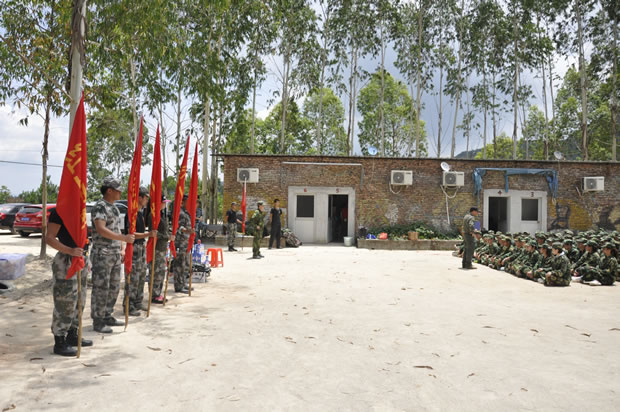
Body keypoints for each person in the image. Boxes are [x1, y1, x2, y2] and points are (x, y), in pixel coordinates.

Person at [46, 207, 92, 356]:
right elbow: (49, 238)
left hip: (81, 259)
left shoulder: (80, 209)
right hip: (66, 261)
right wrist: (70, 251)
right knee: (65, 302)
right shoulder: (59, 211)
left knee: (80, 300)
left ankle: (72, 334)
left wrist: (86, 257)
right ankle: (59, 341)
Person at [91, 177, 135, 333]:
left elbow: (117, 229)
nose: (120, 192)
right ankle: (98, 320)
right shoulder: (100, 207)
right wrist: (123, 238)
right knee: (101, 288)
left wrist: (122, 247)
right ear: (109, 190)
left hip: (115, 253)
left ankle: (107, 315)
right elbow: (101, 229)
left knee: (114, 287)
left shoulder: (115, 208)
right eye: (117, 190)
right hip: (102, 253)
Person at [123, 187, 156, 316]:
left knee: (142, 276)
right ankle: (129, 305)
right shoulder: (131, 213)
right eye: (146, 198)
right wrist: (148, 234)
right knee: (133, 278)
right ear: (140, 197)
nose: (147, 200)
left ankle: (138, 301)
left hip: (141, 248)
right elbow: (131, 233)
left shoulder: (140, 213)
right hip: (134, 248)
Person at [150, 195, 173, 304]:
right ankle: (154, 294)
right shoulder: (153, 215)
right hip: (157, 247)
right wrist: (167, 237)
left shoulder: (161, 214)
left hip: (162, 247)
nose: (165, 204)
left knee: (161, 272)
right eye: (163, 202)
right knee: (156, 272)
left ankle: (158, 293)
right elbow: (154, 233)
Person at [172, 194, 193, 293]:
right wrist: (187, 231)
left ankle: (183, 283)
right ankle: (178, 286)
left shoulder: (186, 212)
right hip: (180, 243)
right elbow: (179, 228)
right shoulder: (180, 213)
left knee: (184, 265)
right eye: (188, 201)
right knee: (179, 265)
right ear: (183, 202)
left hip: (185, 243)